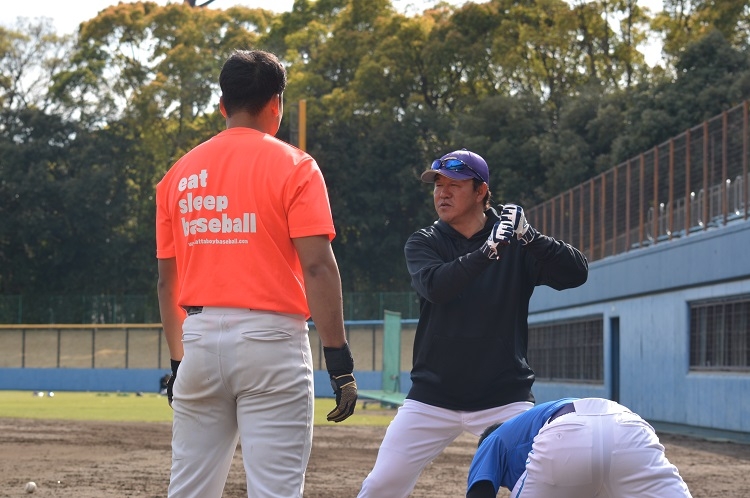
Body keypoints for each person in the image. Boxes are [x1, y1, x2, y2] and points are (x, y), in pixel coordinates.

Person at [155, 49, 357, 498]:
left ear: (222, 105)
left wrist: (177, 361)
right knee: (275, 490)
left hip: (199, 341)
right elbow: (318, 266)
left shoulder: (177, 176)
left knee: (188, 490)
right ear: (276, 105)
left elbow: (167, 282)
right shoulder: (296, 166)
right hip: (272, 344)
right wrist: (338, 360)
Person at [357, 149, 589, 497]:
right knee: (380, 486)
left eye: (455, 184)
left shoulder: (516, 242)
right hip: (432, 398)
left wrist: (531, 238)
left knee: (546, 484)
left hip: (504, 397)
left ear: (481, 191)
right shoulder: (424, 242)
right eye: (438, 184)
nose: (442, 193)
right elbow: (437, 286)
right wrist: (486, 252)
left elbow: (577, 273)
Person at [467, 397, 693, 497]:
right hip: (629, 427)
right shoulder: (528, 423)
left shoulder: (493, 439)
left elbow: (479, 493)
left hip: (567, 433)